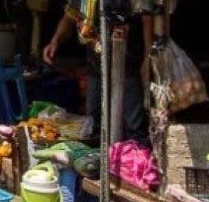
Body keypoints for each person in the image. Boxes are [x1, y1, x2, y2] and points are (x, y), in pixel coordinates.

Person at [43, 10, 150, 144]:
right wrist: (55, 40)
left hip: (128, 61)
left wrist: (148, 55)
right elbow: (71, 14)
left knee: (133, 125)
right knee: (94, 122)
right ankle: (100, 155)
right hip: (96, 64)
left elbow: (147, 16)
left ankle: (137, 154)